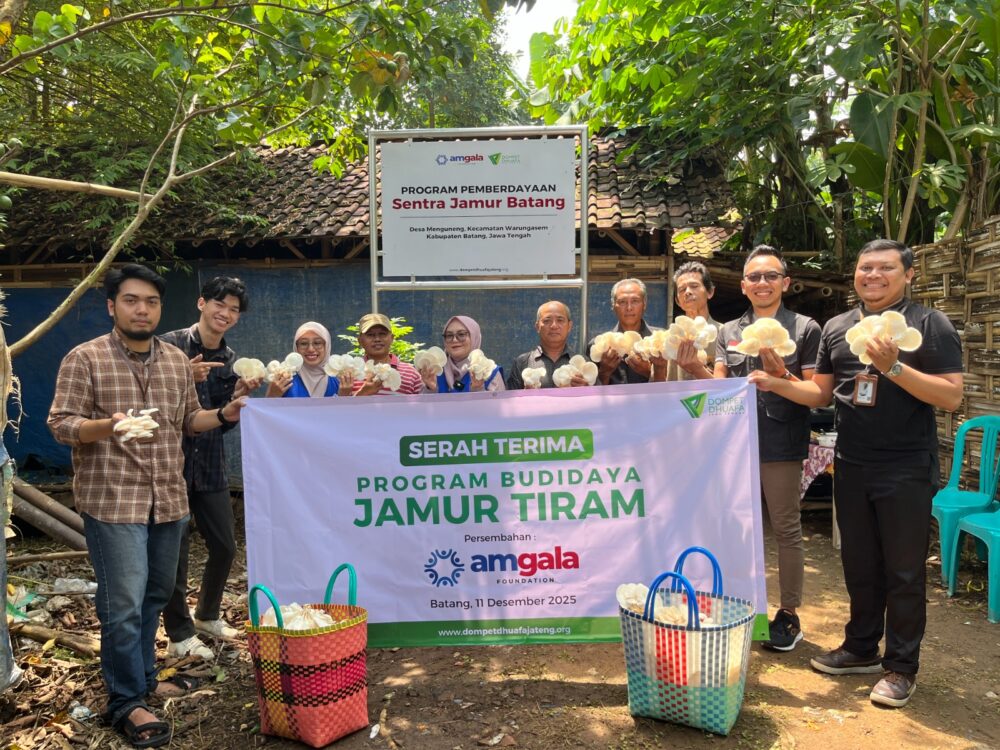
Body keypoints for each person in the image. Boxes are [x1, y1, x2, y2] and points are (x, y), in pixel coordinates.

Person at [750, 239, 963, 708]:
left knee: (903, 571)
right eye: (866, 268)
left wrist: (894, 366)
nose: (873, 275)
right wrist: (778, 379)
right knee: (859, 564)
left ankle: (901, 666)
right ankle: (862, 647)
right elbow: (821, 394)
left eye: (886, 268)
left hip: (906, 464)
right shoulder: (838, 327)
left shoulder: (930, 324)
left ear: (908, 274)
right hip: (850, 462)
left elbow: (951, 396)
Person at [47, 264, 247, 748]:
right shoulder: (85, 358)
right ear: (112, 306)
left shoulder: (175, 361)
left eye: (151, 302)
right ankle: (125, 702)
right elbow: (61, 423)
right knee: (122, 606)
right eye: (132, 300)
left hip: (168, 500)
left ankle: (142, 679)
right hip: (113, 501)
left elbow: (188, 420)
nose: (142, 310)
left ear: (160, 308)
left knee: (156, 595)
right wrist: (107, 426)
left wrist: (225, 413)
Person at [715, 245, 821, 652]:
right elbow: (719, 386)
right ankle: (738, 607)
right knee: (736, 527)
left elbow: (817, 394)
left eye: (771, 276)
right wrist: (692, 369)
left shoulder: (805, 329)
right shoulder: (729, 332)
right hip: (733, 444)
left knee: (785, 527)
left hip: (781, 441)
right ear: (743, 286)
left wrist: (781, 377)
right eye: (755, 277)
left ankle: (788, 614)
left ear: (785, 283)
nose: (763, 283)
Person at [158, 276, 253, 660]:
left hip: (211, 465)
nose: (225, 314)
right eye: (219, 304)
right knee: (175, 552)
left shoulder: (231, 360)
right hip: (170, 465)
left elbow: (222, 421)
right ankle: (178, 633)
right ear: (202, 303)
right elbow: (153, 403)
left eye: (233, 310)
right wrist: (182, 375)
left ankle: (207, 614)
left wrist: (237, 403)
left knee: (225, 546)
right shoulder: (168, 346)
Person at [649, 261, 721, 382]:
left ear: (710, 292)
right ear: (677, 301)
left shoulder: (725, 334)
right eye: (682, 289)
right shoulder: (666, 339)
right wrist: (659, 368)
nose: (687, 292)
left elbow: (731, 387)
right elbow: (657, 389)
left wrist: (698, 369)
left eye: (694, 286)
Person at [589, 278, 656, 385]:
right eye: (622, 302)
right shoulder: (598, 346)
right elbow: (589, 392)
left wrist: (649, 372)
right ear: (613, 305)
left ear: (644, 304)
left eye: (635, 301)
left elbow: (674, 386)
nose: (629, 308)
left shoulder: (660, 341)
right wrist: (604, 372)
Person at [507, 301, 587, 389]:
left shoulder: (584, 364)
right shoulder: (522, 363)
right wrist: (525, 394)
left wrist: (587, 389)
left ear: (569, 326)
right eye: (547, 321)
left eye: (560, 320)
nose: (554, 326)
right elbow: (511, 396)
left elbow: (595, 396)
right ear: (537, 326)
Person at [419, 316, 505, 393]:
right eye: (449, 335)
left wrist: (478, 389)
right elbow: (422, 406)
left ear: (474, 337)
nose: (454, 340)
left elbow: (498, 405)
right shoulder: (432, 371)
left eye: (461, 334)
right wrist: (431, 389)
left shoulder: (489, 372)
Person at [347, 313, 422, 396]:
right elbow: (340, 403)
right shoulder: (350, 374)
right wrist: (363, 393)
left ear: (392, 338)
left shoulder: (411, 373)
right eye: (370, 335)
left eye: (382, 334)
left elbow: (424, 402)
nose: (377, 339)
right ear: (360, 341)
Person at [265, 321, 340, 398]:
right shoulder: (282, 380)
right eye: (304, 343)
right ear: (296, 347)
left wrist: (345, 396)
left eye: (317, 343)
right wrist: (272, 395)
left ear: (326, 347)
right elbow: (267, 406)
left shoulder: (340, 381)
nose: (310, 349)